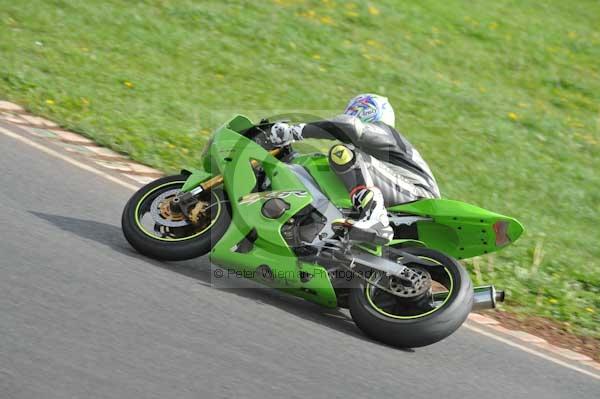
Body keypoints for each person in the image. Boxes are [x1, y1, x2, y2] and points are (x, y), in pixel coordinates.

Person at [266, 93, 440, 244]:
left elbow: (350, 127)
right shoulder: (375, 151)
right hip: (402, 193)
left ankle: (375, 218)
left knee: (342, 154)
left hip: (418, 193)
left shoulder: (384, 131)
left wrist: (294, 131)